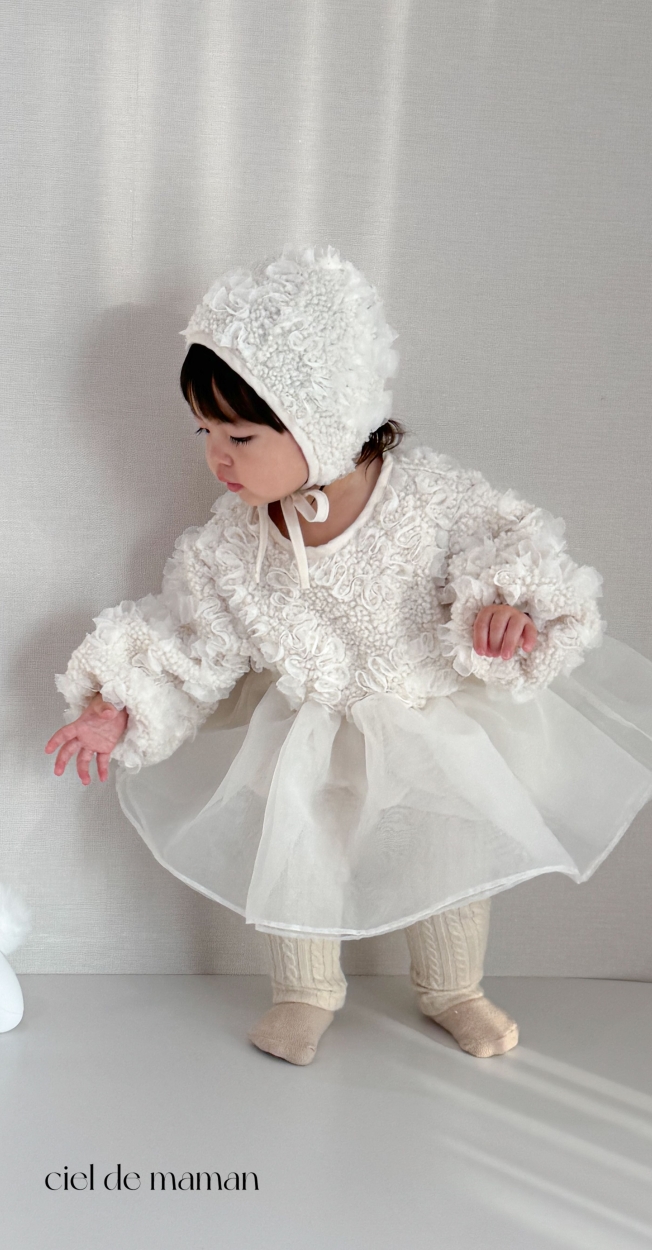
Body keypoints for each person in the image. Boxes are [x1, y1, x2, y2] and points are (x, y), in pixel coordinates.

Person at [44, 246, 652, 1066]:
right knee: (299, 848)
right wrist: (120, 702)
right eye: (205, 431)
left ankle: (453, 988)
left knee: (446, 844)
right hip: (310, 730)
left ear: (322, 419)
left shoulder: (426, 498)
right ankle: (304, 992)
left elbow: (512, 541)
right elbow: (192, 642)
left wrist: (507, 606)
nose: (217, 457)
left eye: (240, 435)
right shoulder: (229, 549)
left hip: (427, 717)